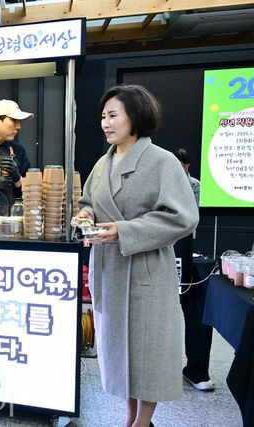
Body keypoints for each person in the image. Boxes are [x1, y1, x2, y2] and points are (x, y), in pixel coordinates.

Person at [76, 85, 199, 427]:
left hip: (146, 270)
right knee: (120, 352)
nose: (105, 123)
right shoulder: (103, 163)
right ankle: (130, 418)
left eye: (113, 115)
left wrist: (124, 230)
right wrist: (84, 215)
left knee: (148, 353)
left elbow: (183, 217)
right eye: (103, 116)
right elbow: (88, 202)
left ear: (135, 116)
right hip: (109, 269)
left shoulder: (162, 161)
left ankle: (142, 422)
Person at [172, 148, 214, 392]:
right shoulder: (160, 181)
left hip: (186, 245)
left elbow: (190, 217)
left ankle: (196, 370)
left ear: (187, 166)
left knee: (195, 308)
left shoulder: (195, 185)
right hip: (160, 248)